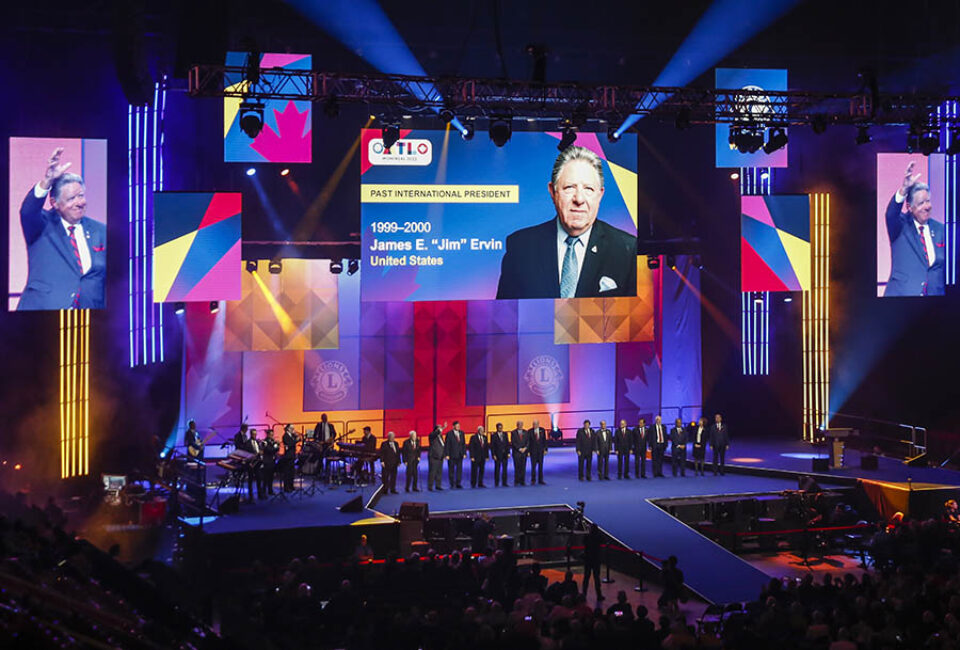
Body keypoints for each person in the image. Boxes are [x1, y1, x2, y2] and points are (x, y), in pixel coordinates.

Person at [496, 146, 637, 299]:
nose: (579, 199)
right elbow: (505, 316)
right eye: (569, 187)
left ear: (600, 194)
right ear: (553, 191)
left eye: (588, 189)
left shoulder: (627, 249)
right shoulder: (520, 247)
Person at [17, 148, 107, 310]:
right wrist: (47, 180)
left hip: (91, 317)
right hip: (44, 313)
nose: (79, 202)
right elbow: (28, 211)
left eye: (81, 195)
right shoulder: (40, 225)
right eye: (72, 198)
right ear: (54, 203)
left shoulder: (100, 231)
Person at [883, 160, 945, 296]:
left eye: (928, 201)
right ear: (909, 207)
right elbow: (891, 214)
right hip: (902, 299)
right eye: (921, 203)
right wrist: (904, 189)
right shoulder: (899, 225)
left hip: (935, 304)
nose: (927, 206)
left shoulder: (941, 229)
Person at [582, 523, 604, 601]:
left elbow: (584, 543)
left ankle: (584, 594)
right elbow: (603, 541)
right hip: (596, 560)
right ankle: (599, 595)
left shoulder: (587, 537)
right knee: (596, 578)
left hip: (588, 560)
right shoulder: (598, 537)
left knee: (586, 578)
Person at [445, 421, 466, 489]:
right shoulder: (449, 434)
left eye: (459, 426)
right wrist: (447, 454)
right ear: (453, 426)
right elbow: (447, 445)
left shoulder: (462, 433)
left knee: (459, 470)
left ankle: (458, 483)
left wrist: (464, 453)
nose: (458, 427)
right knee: (451, 470)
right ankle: (452, 483)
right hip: (451, 455)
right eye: (457, 426)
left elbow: (463, 444)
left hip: (460, 455)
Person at [528, 420, 548, 485]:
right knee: (533, 467)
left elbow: (545, 440)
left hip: (540, 451)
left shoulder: (542, 430)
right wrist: (528, 451)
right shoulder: (530, 431)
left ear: (538, 424)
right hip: (533, 452)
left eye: (536, 424)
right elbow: (528, 442)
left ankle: (540, 480)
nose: (535, 425)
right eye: (534, 424)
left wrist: (545, 449)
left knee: (541, 466)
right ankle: (533, 480)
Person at [427, 423, 446, 491]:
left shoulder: (440, 437)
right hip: (433, 457)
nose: (441, 431)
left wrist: (444, 455)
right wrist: (443, 427)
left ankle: (438, 485)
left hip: (440, 457)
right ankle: (430, 486)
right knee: (432, 472)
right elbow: (435, 433)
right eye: (439, 429)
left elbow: (443, 446)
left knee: (439, 472)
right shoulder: (432, 436)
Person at [491, 423, 510, 487]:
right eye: (499, 428)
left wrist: (508, 453)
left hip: (505, 455)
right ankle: (496, 483)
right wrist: (493, 455)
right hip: (497, 455)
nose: (500, 429)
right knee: (497, 469)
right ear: (497, 428)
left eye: (501, 427)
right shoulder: (494, 435)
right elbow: (492, 446)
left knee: (505, 469)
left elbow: (507, 444)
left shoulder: (505, 434)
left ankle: (504, 482)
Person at [261, 428, 279, 495]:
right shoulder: (265, 442)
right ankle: (264, 491)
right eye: (271, 435)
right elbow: (269, 450)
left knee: (271, 477)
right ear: (268, 435)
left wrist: (276, 446)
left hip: (272, 461)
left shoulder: (272, 441)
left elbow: (277, 449)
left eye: (272, 434)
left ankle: (270, 490)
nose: (272, 436)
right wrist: (275, 447)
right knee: (266, 477)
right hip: (267, 461)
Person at [510, 420, 529, 485]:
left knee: (523, 467)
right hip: (516, 452)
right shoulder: (513, 432)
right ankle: (517, 480)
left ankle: (522, 481)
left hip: (524, 452)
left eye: (521, 424)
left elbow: (528, 442)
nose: (520, 425)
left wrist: (525, 448)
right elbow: (513, 442)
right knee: (517, 467)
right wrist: (519, 449)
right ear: (517, 425)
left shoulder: (526, 432)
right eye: (519, 424)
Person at [281, 424, 298, 492]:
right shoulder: (285, 436)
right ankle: (286, 487)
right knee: (287, 472)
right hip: (288, 456)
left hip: (292, 455)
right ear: (288, 428)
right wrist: (296, 440)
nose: (293, 429)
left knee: (292, 472)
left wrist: (296, 437)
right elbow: (290, 444)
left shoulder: (292, 435)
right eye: (291, 428)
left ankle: (291, 485)